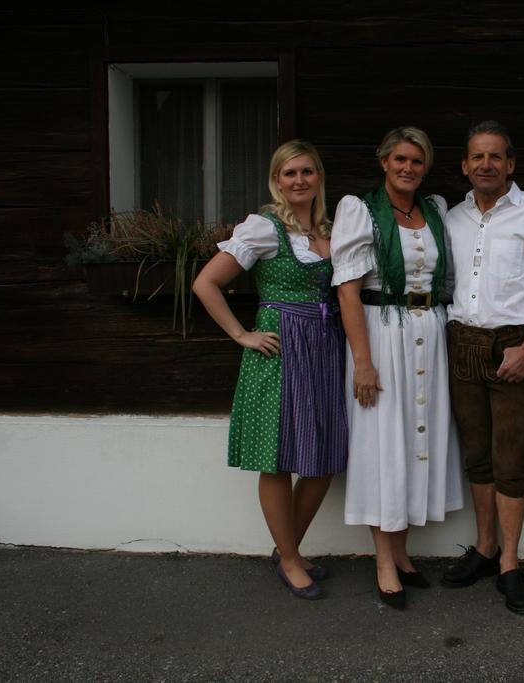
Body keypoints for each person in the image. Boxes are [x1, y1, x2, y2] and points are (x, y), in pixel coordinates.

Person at [193, 139, 347, 601]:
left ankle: (286, 551)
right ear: (276, 181)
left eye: (307, 172)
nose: (299, 180)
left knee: (323, 458)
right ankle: (291, 558)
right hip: (280, 348)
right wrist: (242, 334)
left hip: (324, 347)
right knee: (278, 458)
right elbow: (206, 282)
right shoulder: (264, 228)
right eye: (289, 173)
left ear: (318, 176)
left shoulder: (329, 231)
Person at [331, 126, 463, 610]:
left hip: (428, 330)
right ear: (383, 161)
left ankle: (403, 554)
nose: (408, 168)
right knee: (382, 439)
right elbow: (348, 288)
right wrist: (362, 361)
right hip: (381, 334)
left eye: (417, 161)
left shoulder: (434, 210)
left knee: (415, 438)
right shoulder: (360, 210)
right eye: (400, 159)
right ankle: (383, 561)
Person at [441, 121, 524, 615]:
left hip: (514, 347)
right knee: (477, 455)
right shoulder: (451, 217)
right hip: (462, 345)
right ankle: (486, 547)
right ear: (465, 165)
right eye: (477, 157)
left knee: (510, 461)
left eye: (495, 157)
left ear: (510, 164)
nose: (486, 165)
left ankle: (510, 564)